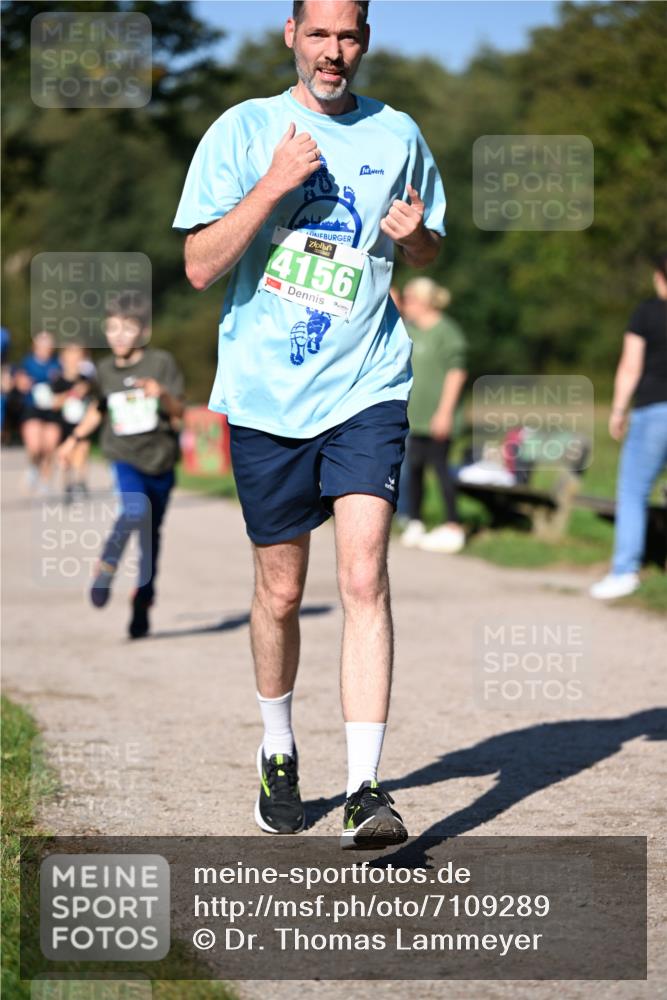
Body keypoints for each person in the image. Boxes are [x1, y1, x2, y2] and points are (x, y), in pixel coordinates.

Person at [174, 0, 445, 847]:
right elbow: (197, 266)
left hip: (367, 385)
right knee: (281, 593)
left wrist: (417, 240)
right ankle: (279, 747)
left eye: (350, 35)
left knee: (363, 577)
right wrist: (274, 184)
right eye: (320, 34)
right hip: (266, 396)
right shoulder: (244, 130)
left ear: (365, 41)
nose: (335, 52)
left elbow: (430, 244)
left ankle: (367, 786)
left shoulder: (397, 133)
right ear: (290, 35)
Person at [58, 293, 185, 638]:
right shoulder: (104, 371)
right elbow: (98, 409)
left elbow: (179, 413)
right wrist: (74, 440)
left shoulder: (161, 363)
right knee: (133, 510)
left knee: (150, 537)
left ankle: (143, 599)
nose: (118, 336)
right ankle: (107, 564)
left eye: (127, 329)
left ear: (142, 332)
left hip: (160, 460)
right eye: (111, 328)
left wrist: (161, 394)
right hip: (124, 456)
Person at [590, 253, 667, 600]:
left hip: (653, 411)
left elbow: (630, 366)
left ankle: (625, 571)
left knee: (633, 492)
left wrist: (618, 410)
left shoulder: (647, 313)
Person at [399, 277, 467, 553]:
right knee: (413, 468)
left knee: (440, 469)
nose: (405, 305)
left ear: (424, 301)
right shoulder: (410, 329)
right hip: (414, 416)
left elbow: (457, 372)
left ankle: (453, 524)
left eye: (409, 299)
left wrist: (445, 412)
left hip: (439, 417)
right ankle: (415, 520)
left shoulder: (447, 331)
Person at [15, 331, 62, 493]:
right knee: (35, 445)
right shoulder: (27, 362)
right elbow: (18, 381)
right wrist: (22, 383)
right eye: (42, 343)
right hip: (32, 407)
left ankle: (45, 480)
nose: (45, 347)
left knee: (49, 446)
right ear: (35, 345)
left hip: (52, 409)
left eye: (48, 343)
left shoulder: (57, 363)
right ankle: (33, 468)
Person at [51, 343, 96, 501]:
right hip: (63, 423)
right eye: (70, 356)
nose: (73, 360)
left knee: (83, 450)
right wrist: (71, 394)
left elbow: (93, 402)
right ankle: (68, 486)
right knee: (66, 456)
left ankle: (81, 481)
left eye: (78, 356)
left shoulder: (86, 380)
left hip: (82, 422)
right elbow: (54, 403)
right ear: (63, 359)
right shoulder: (58, 380)